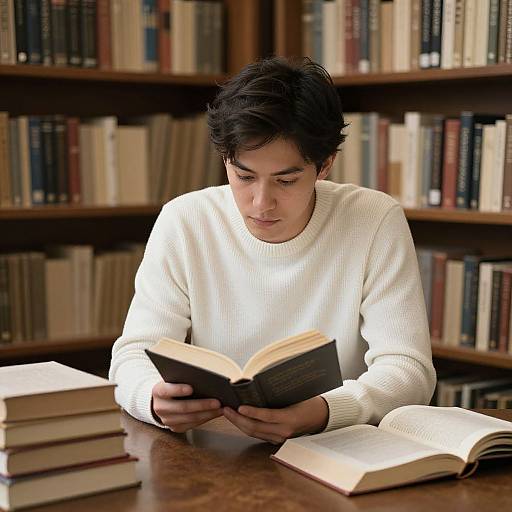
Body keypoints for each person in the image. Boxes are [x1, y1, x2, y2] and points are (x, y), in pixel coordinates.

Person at [109, 56, 436, 444]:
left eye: (286, 180)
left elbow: (409, 369)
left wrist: (324, 411)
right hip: (214, 453)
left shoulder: (373, 218)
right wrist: (151, 397)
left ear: (325, 164)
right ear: (225, 159)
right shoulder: (185, 220)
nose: (261, 203)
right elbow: (133, 354)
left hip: (335, 448)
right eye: (244, 176)